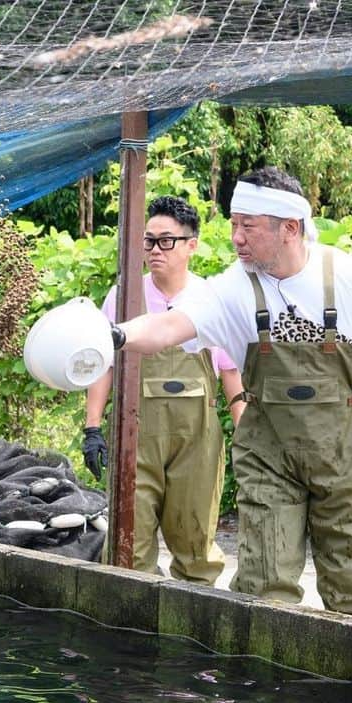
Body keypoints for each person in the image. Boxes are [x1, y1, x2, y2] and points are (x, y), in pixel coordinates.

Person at [109, 168, 352, 619]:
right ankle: (264, 688)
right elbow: (167, 325)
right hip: (268, 450)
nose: (235, 238)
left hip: (345, 452)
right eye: (233, 224)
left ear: (289, 228)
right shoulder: (233, 287)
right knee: (263, 585)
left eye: (247, 226)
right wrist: (114, 336)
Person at [82, 195, 245, 584]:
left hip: (197, 441)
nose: (155, 250)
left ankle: (191, 633)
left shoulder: (210, 299)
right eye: (149, 241)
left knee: (196, 546)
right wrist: (92, 427)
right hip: (136, 436)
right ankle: (125, 637)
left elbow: (231, 373)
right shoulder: (125, 296)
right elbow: (103, 364)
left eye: (166, 241)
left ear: (192, 245)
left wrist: (248, 436)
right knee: (127, 546)